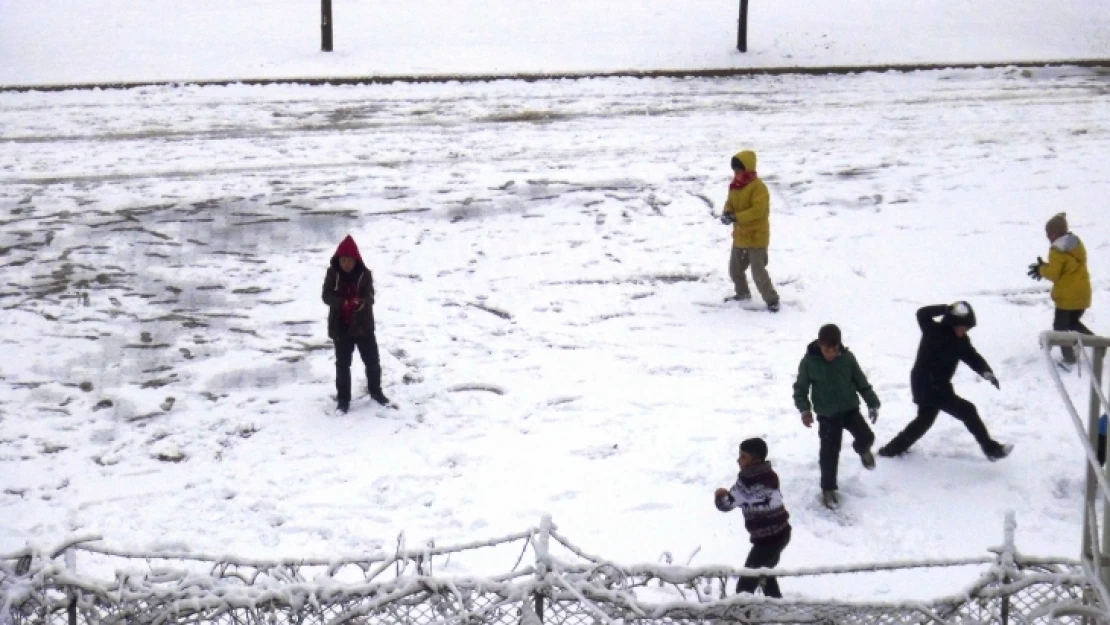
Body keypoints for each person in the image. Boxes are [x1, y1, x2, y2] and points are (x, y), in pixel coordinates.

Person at [878, 302, 1011, 461]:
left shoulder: (962, 341)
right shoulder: (933, 330)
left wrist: (986, 372)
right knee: (968, 411)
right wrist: (945, 308)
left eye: (966, 328)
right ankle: (991, 449)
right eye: (960, 327)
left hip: (938, 384)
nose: (963, 331)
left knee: (924, 420)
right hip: (927, 383)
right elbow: (922, 313)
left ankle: (891, 451)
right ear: (951, 322)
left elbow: (972, 357)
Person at [792, 324, 880, 510]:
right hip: (827, 415)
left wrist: (872, 402)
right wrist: (805, 410)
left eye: (834, 349)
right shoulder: (809, 362)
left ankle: (862, 450)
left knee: (867, 437)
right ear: (819, 344)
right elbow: (800, 389)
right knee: (829, 454)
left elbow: (860, 381)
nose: (830, 354)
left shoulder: (847, 359)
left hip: (849, 409)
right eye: (826, 350)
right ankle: (828, 489)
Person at [714, 438, 791, 598]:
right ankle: (778, 606)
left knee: (745, 586)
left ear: (755, 459)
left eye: (743, 456)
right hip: (780, 534)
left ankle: (742, 617)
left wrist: (720, 495)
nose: (738, 460)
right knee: (765, 573)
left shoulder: (747, 484)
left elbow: (726, 505)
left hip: (768, 540)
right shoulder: (768, 475)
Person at [322, 234, 389, 412]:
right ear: (339, 260)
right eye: (343, 260)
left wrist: (360, 303)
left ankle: (376, 392)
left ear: (356, 260)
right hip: (341, 328)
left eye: (350, 261)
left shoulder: (365, 275)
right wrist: (341, 302)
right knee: (343, 365)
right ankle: (343, 400)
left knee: (372, 362)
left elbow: (370, 297)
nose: (346, 264)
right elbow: (326, 296)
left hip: (363, 327)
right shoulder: (332, 274)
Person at [1028, 212, 1093, 367]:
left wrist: (1041, 269)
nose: (1047, 237)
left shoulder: (1056, 251)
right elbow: (1066, 267)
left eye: (1048, 234)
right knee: (1073, 322)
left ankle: (1069, 359)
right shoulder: (1075, 244)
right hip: (1082, 295)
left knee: (1060, 329)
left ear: (1054, 233)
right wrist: (1046, 266)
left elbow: (1054, 274)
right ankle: (1096, 343)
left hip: (1067, 299)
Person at [720, 150, 780, 312]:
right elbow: (730, 203)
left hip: (756, 237)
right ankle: (743, 293)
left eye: (739, 170)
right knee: (735, 270)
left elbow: (758, 211)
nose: (736, 173)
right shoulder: (735, 186)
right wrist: (727, 212)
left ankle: (772, 300)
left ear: (747, 169)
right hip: (740, 236)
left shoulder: (759, 187)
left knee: (758, 272)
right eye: (734, 171)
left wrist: (736, 217)